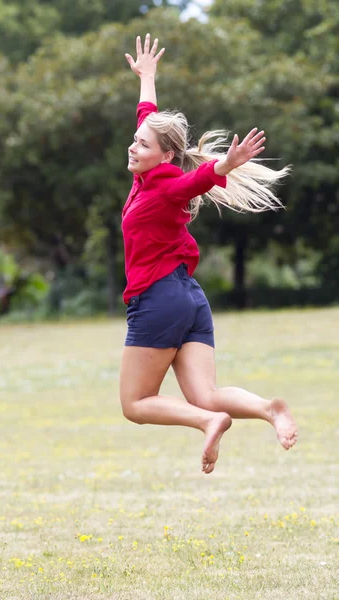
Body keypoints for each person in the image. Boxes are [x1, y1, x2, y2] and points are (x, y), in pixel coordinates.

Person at [119, 34, 298, 475]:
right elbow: (148, 117)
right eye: (135, 140)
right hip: (189, 298)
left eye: (142, 144)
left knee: (135, 403)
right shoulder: (146, 178)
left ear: (166, 155)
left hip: (158, 300)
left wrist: (225, 165)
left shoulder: (166, 187)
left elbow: (196, 180)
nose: (133, 146)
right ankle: (267, 408)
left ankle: (208, 422)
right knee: (208, 392)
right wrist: (147, 78)